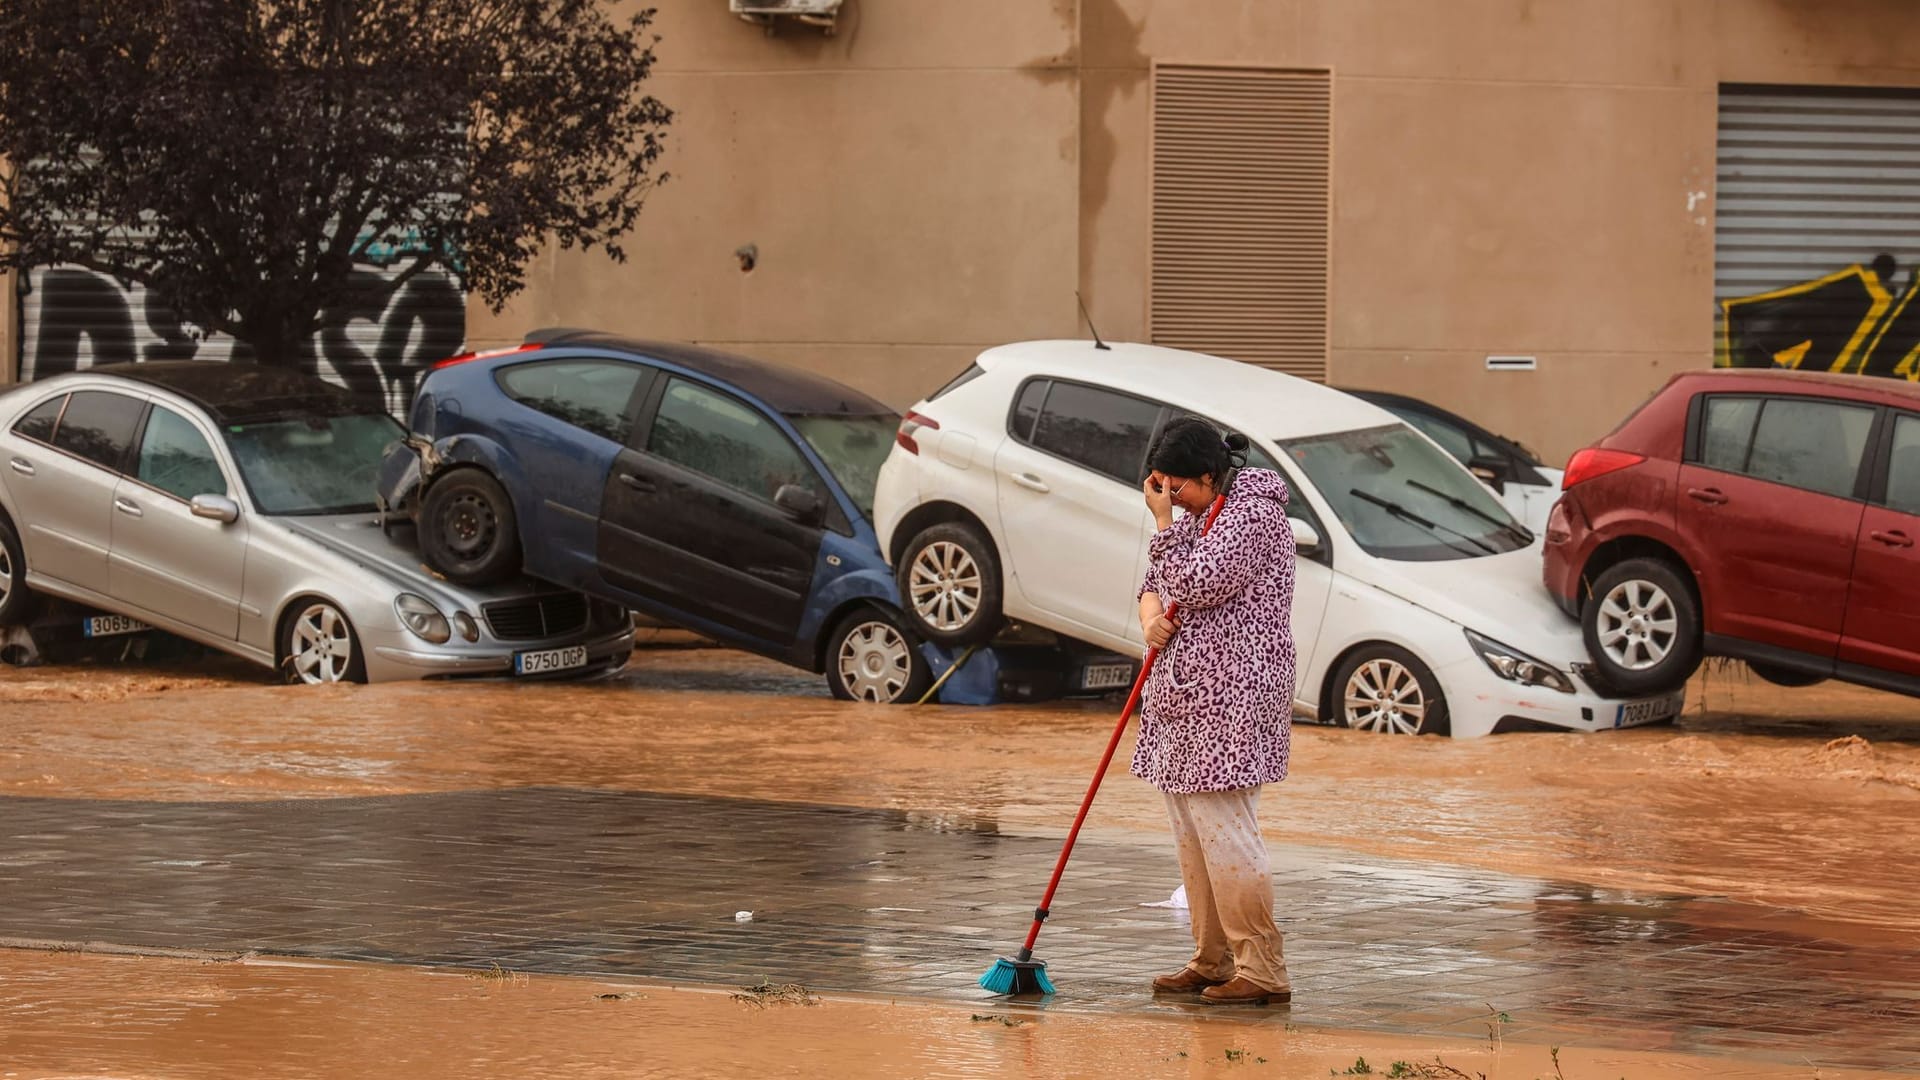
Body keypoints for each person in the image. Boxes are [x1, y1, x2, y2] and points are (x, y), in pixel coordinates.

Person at [1135, 417, 1297, 1006]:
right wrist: (1149, 614)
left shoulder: (1252, 515)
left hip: (1234, 695)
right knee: (1192, 832)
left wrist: (1162, 523)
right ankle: (1212, 957)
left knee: (1226, 830)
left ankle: (1262, 967)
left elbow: (1198, 581)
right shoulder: (1205, 515)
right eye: (1160, 489)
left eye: (1175, 487)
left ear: (1209, 474)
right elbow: (1155, 580)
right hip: (1183, 697)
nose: (1169, 499)